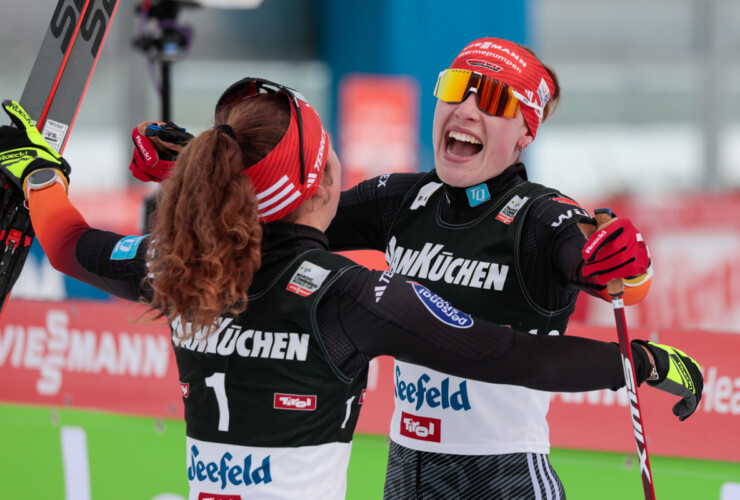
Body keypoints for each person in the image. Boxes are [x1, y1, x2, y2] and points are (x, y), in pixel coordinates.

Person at [0, 79, 701, 500]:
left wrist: (33, 170)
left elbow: (66, 244)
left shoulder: (176, 261)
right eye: (333, 157)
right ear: (319, 187)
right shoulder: (351, 297)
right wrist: (644, 363)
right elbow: (516, 358)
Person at [323, 38, 661, 498]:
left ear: (525, 133)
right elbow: (294, 222)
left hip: (504, 473)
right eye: (457, 87)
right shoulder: (403, 200)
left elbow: (600, 270)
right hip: (406, 468)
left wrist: (626, 266)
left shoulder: (540, 214)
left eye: (494, 100)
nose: (464, 109)